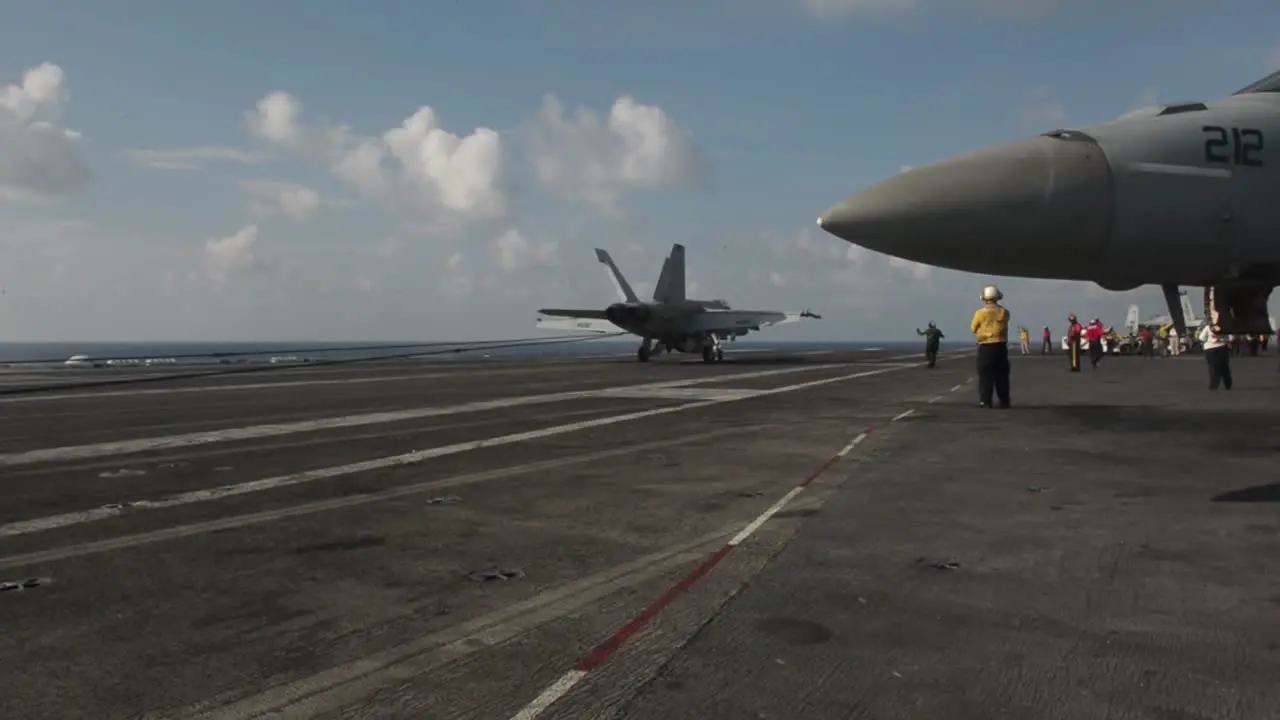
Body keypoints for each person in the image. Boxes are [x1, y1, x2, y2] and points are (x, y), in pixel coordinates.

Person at [971, 285, 1011, 408]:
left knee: (985, 375)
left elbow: (973, 328)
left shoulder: (979, 313)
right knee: (1002, 375)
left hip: (985, 347)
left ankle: (985, 401)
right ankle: (1004, 401)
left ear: (984, 298)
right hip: (1000, 347)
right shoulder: (1004, 312)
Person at [1199, 323, 1232, 390]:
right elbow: (1231, 338)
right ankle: (1228, 383)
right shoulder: (1225, 326)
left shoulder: (1208, 327)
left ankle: (1213, 384)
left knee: (1213, 367)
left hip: (1210, 349)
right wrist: (1222, 340)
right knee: (1224, 367)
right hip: (1222, 348)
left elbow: (1201, 337)